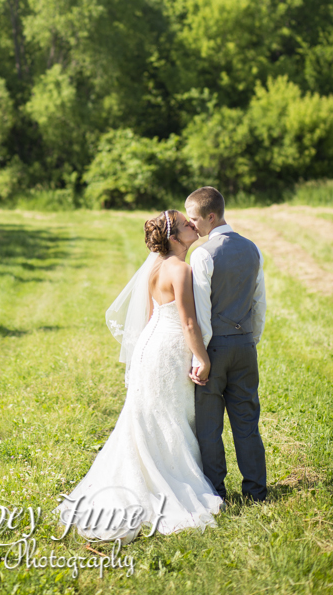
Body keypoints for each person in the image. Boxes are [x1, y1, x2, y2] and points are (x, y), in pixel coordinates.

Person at [58, 210, 223, 541]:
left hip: (152, 345)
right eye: (186, 224)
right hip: (168, 348)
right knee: (167, 415)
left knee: (153, 413)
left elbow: (150, 314)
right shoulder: (180, 269)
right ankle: (164, 481)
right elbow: (189, 323)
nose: (194, 225)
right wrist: (202, 359)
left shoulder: (156, 267)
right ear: (174, 237)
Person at [185, 186, 267, 503]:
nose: (192, 225)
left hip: (214, 348)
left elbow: (202, 311)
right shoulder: (253, 249)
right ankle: (256, 491)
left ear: (211, 216)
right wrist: (250, 338)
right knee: (247, 422)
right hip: (246, 346)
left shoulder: (204, 254)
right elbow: (259, 302)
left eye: (194, 219)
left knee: (209, 425)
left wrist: (200, 355)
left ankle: (215, 491)